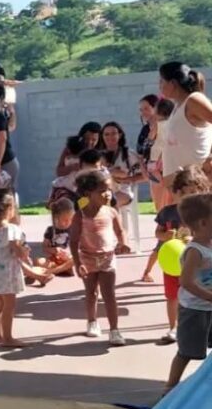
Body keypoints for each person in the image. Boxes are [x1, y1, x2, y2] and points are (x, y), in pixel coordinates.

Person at [0, 189, 52, 347]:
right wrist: (24, 252)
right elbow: (17, 251)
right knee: (9, 306)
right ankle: (8, 338)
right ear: (8, 208)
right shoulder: (11, 229)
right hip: (7, 270)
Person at [142, 166, 208, 342]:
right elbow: (158, 232)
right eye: (185, 193)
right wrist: (166, 235)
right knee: (172, 296)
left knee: (198, 295)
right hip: (172, 263)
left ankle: (200, 327)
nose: (190, 197)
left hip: (198, 264)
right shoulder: (168, 212)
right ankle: (173, 328)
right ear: (176, 193)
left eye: (195, 192)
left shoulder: (205, 215)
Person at [70, 170, 131, 346]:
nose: (108, 194)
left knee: (109, 294)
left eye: (109, 190)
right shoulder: (79, 216)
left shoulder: (111, 211)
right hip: (87, 259)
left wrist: (123, 242)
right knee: (91, 293)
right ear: (88, 194)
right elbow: (73, 242)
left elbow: (120, 231)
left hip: (107, 258)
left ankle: (114, 330)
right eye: (102, 191)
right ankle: (92, 322)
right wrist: (77, 263)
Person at [164, 193, 212, 394]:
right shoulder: (195, 251)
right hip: (194, 310)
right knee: (187, 351)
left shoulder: (210, 244)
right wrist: (209, 297)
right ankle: (170, 386)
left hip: (208, 307)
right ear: (202, 223)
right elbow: (186, 281)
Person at [160, 62, 212, 190]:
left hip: (197, 182)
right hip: (180, 185)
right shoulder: (177, 106)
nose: (159, 86)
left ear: (172, 83)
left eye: (161, 81)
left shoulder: (194, 100)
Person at [99, 121, 143, 207]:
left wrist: (128, 179)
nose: (110, 137)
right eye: (106, 134)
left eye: (113, 133)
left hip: (123, 191)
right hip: (100, 191)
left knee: (105, 204)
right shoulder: (97, 155)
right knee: (80, 204)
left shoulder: (128, 154)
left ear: (120, 135)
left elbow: (144, 176)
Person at [35, 197, 76, 278]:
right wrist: (54, 250)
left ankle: (52, 271)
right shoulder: (50, 230)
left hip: (68, 259)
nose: (68, 222)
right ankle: (61, 269)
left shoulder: (73, 229)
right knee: (38, 261)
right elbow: (44, 247)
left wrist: (68, 252)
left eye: (70, 219)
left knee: (77, 259)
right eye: (65, 220)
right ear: (56, 217)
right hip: (54, 260)